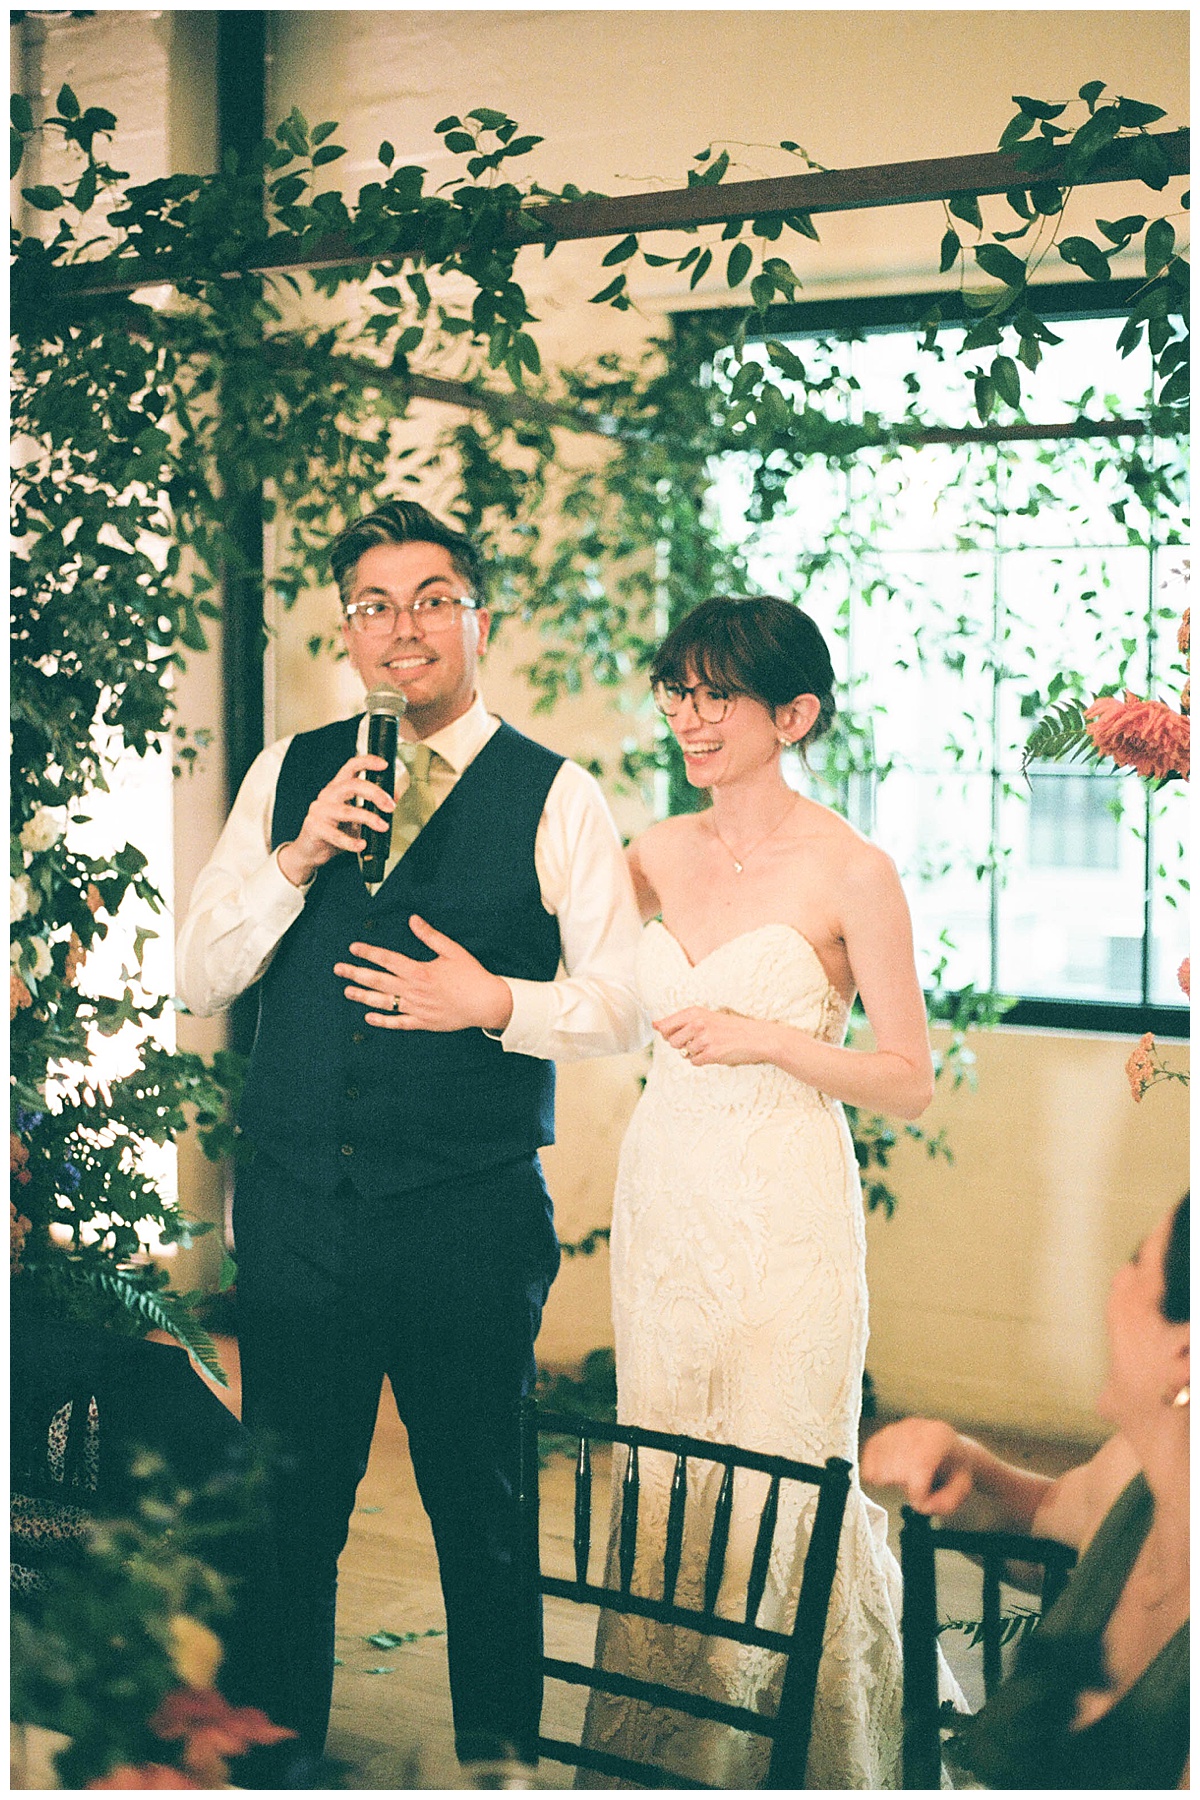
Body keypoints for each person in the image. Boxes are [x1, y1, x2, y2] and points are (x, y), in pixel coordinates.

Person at [176, 500, 645, 1777]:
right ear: (348, 631)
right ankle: (277, 1762)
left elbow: (622, 1005)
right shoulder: (290, 771)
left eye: (433, 596)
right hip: (296, 1217)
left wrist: (492, 1003)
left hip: (468, 1218)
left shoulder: (560, 796)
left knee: (481, 1515)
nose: (404, 628)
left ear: (478, 616)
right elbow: (203, 974)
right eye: (375, 605)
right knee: (287, 1519)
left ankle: (500, 1760)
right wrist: (294, 857)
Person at [581, 595, 935, 1788]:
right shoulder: (655, 849)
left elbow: (907, 1081)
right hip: (668, 1195)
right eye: (677, 689)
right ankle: (666, 1749)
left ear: (793, 715)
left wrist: (768, 1038)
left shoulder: (854, 869)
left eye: (715, 694)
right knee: (673, 1462)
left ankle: (811, 1753)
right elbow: (583, 980)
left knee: (785, 1467)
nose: (688, 715)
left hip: (785, 1201)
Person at [862, 1194, 1189, 1790]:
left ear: (1185, 1354)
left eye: (1136, 1263)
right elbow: (1045, 1519)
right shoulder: (1137, 1473)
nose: (1115, 1282)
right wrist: (962, 1466)